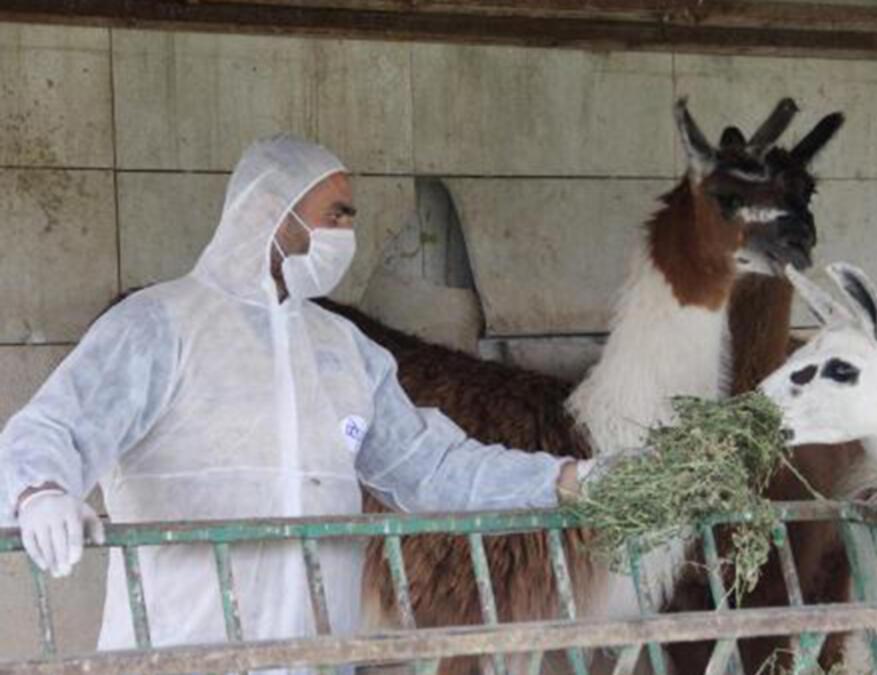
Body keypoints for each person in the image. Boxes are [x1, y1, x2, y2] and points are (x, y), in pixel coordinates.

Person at [0, 135, 592, 658]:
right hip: (182, 652)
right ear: (271, 212)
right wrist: (39, 491)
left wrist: (565, 479)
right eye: (335, 215)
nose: (346, 234)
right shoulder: (162, 325)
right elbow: (56, 425)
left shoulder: (342, 349)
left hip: (312, 653)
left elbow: (433, 466)